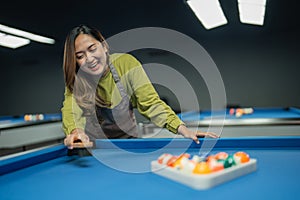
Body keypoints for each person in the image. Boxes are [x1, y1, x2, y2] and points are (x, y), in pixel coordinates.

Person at [61, 24, 218, 149]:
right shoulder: (78, 78)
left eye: (92, 48)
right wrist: (76, 132)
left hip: (129, 145)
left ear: (104, 46)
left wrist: (183, 129)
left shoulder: (126, 64)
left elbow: (150, 103)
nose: (89, 58)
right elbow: (72, 110)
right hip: (94, 149)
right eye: (80, 56)